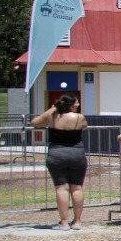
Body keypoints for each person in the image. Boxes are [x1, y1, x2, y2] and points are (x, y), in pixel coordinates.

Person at [32, 94, 88, 229]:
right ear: (70, 104)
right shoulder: (79, 117)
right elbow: (84, 126)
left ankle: (63, 222)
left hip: (56, 152)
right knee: (77, 187)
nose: (78, 105)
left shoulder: (52, 116)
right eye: (76, 103)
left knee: (61, 188)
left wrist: (52, 109)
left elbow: (34, 123)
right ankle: (77, 222)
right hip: (76, 152)